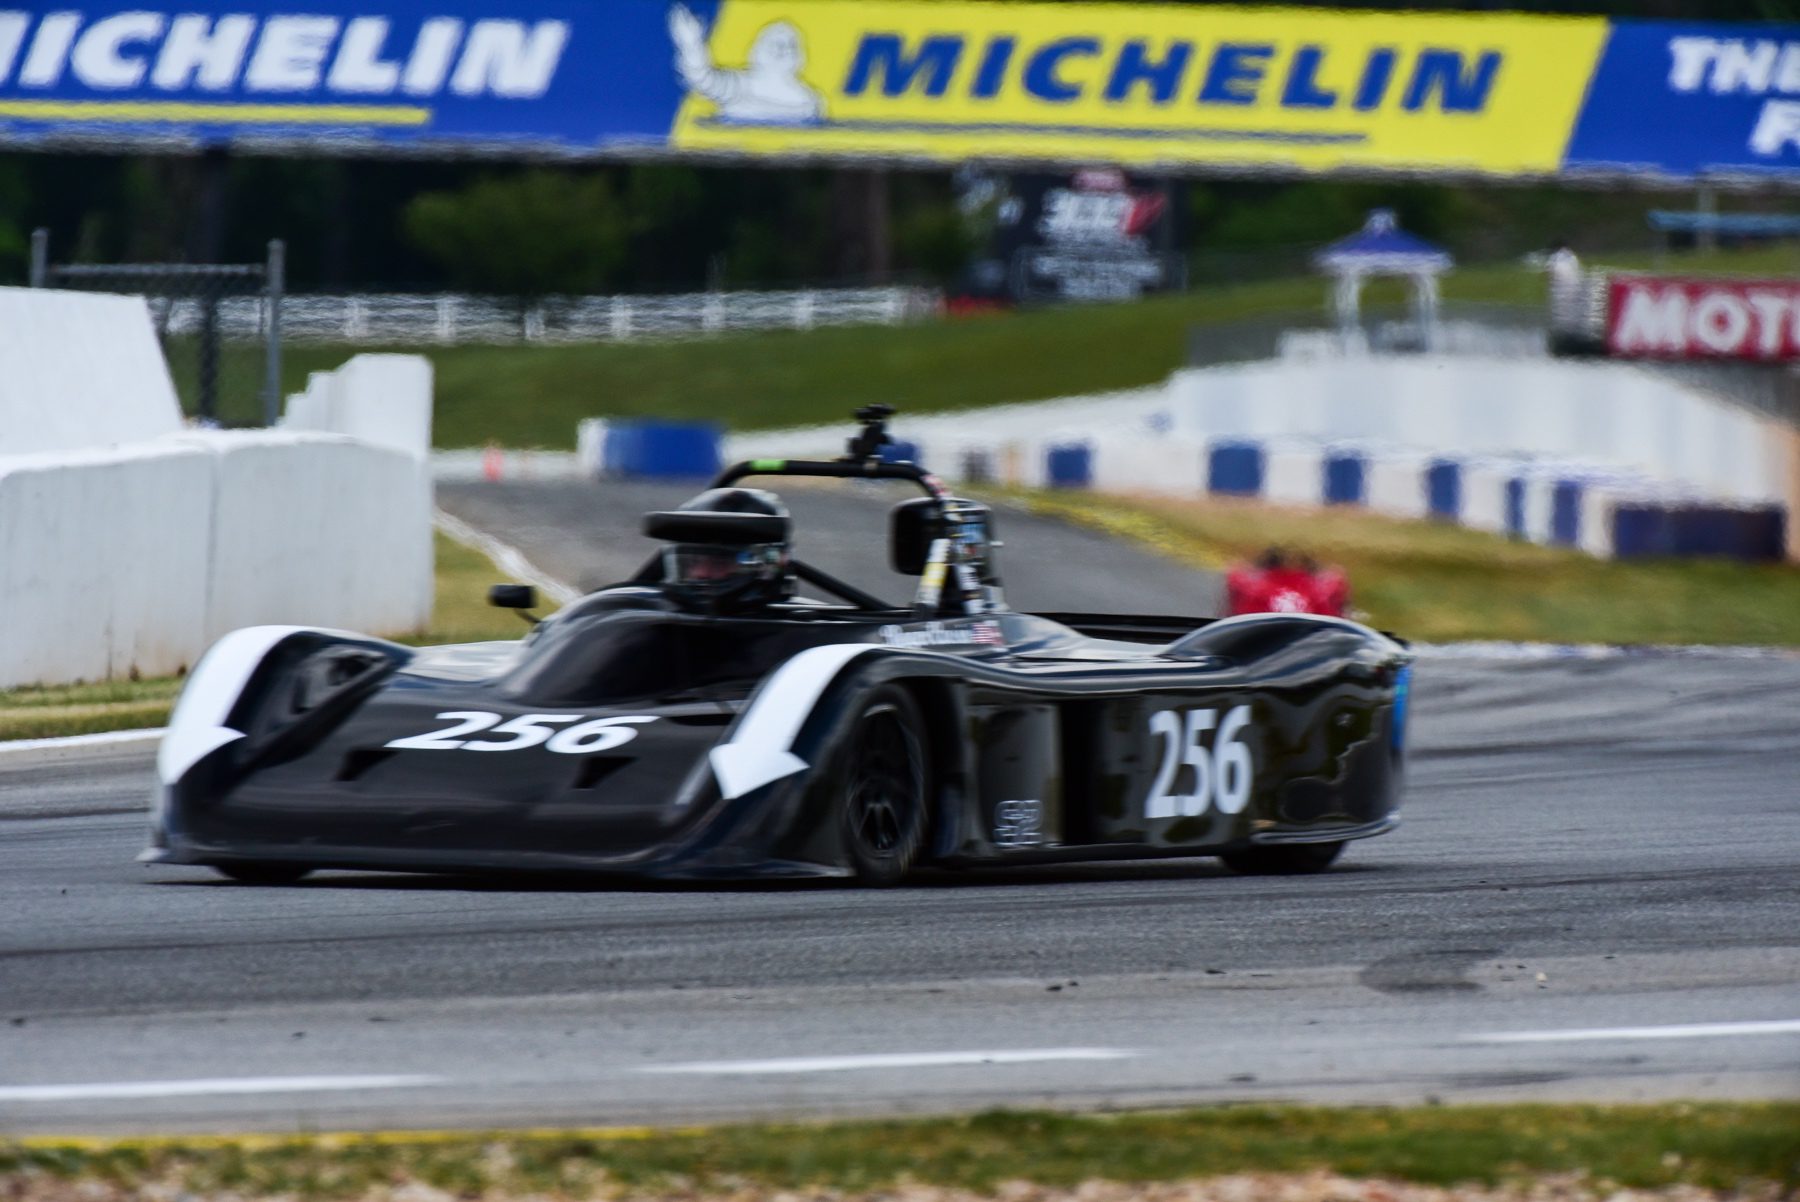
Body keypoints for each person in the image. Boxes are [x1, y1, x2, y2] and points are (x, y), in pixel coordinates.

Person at [662, 487, 795, 614]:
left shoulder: (796, 627)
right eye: (693, 561)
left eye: (719, 563)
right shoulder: (659, 617)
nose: (700, 573)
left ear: (768, 565)